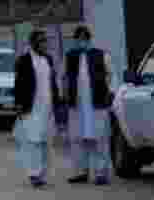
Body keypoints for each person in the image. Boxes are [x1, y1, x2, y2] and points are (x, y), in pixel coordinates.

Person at [63, 25, 113, 186]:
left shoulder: (101, 55)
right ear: (75, 40)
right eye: (79, 38)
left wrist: (110, 94)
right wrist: (64, 96)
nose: (82, 41)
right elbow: (63, 77)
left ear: (89, 39)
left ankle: (101, 173)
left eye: (85, 38)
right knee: (77, 139)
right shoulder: (70, 56)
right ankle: (81, 172)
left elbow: (111, 76)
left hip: (97, 103)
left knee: (100, 138)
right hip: (77, 105)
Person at [14, 30, 62, 189]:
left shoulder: (48, 59)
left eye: (45, 41)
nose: (44, 44)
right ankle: (34, 174)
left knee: (45, 142)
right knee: (33, 141)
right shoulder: (24, 60)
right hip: (32, 107)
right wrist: (20, 105)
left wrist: (57, 103)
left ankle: (41, 173)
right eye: (41, 41)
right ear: (33, 43)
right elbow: (19, 84)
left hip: (47, 108)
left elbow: (52, 83)